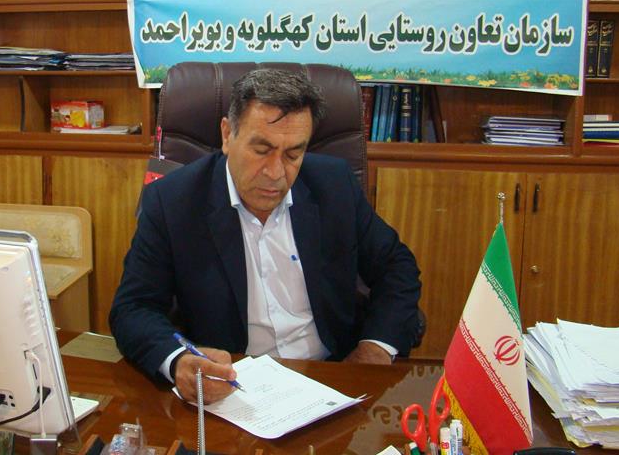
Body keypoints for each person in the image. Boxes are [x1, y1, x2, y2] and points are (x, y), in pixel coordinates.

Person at [110, 69, 422, 404]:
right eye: (261, 150)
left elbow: (397, 267)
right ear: (227, 135)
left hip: (331, 378)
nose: (275, 173)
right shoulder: (173, 201)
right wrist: (179, 361)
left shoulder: (334, 185)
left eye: (293, 154)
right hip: (232, 388)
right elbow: (133, 308)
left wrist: (375, 348)